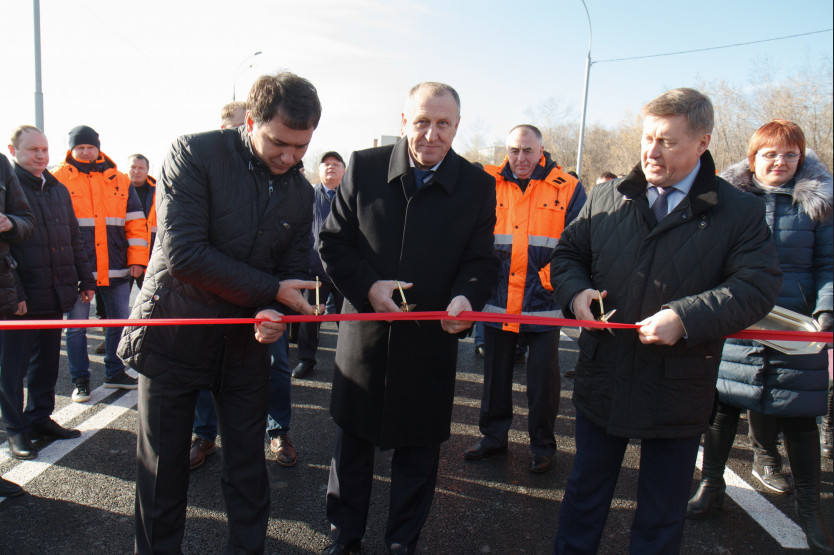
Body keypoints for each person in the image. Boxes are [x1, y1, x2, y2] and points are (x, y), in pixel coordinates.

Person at [549, 88, 782, 553]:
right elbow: (568, 254)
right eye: (647, 138)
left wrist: (685, 316)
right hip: (605, 376)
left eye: (667, 142)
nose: (651, 152)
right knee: (582, 499)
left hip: (679, 383)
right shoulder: (606, 196)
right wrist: (575, 293)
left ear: (702, 142)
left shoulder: (739, 211)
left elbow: (756, 286)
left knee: (660, 515)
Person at [118, 72, 320, 553]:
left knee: (249, 472)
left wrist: (275, 312)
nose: (290, 158)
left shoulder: (300, 191)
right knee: (162, 476)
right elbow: (185, 254)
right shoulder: (194, 153)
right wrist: (272, 290)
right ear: (250, 121)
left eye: (301, 147)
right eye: (279, 143)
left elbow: (292, 270)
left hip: (244, 345)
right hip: (173, 330)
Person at [318, 82, 499, 554]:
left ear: (457, 127)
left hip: (430, 341)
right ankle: (344, 537)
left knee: (418, 454)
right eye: (422, 121)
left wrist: (466, 299)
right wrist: (368, 288)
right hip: (365, 336)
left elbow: (480, 262)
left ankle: (402, 543)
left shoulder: (478, 186)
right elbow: (332, 243)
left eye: (443, 124)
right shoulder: (365, 166)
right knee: (352, 449)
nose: (431, 134)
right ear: (404, 122)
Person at [687, 120, 833, 553]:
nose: (780, 162)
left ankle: (810, 509)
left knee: (800, 412)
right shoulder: (725, 198)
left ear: (801, 158)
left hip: (795, 324)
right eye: (770, 154)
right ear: (753, 159)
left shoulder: (820, 204)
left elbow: (829, 265)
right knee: (724, 404)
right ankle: (712, 486)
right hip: (738, 315)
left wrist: (826, 309)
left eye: (790, 154)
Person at [465, 125, 585, 474]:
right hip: (499, 300)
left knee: (543, 385)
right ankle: (493, 438)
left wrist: (550, 281)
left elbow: (576, 243)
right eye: (515, 150)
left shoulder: (568, 187)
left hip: (544, 303)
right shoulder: (488, 182)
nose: (521, 158)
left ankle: (543, 446)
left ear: (542, 150)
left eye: (528, 151)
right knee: (495, 379)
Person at [1, 126, 94, 460]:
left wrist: (86, 280)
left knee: (46, 364)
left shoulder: (57, 188)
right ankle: (16, 430)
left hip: (55, 292)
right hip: (19, 299)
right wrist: (16, 295)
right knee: (11, 369)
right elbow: (5, 251)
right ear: (13, 150)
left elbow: (73, 238)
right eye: (32, 150)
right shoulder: (9, 189)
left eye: (44, 149)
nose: (40, 156)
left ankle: (39, 417)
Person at [53, 125, 148, 402]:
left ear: (98, 147)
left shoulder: (119, 179)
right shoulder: (57, 178)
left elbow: (136, 224)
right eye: (79, 147)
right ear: (71, 149)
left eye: (89, 146)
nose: (85, 151)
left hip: (117, 267)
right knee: (77, 327)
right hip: (78, 271)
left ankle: (115, 371)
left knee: (118, 322)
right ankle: (80, 380)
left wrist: (138, 260)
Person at [189, 104, 249, 470]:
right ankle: (204, 435)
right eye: (235, 128)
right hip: (206, 295)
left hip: (253, 300)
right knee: (201, 371)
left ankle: (279, 431)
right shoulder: (201, 164)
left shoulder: (274, 171)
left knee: (273, 372)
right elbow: (189, 248)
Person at [292, 151, 346, 379]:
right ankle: (306, 360)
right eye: (326, 164)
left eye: (336, 164)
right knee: (309, 320)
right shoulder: (307, 196)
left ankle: (350, 362)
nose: (330, 167)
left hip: (346, 273)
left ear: (345, 170)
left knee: (348, 321)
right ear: (318, 171)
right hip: (315, 272)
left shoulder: (352, 197)